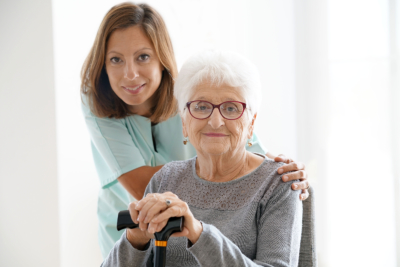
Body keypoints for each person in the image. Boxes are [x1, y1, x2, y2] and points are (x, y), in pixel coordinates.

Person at [81, 2, 309, 258]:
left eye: (143, 56)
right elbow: (142, 188)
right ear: (184, 121)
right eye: (116, 59)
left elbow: (245, 147)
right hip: (132, 223)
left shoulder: (195, 89)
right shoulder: (100, 103)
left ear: (161, 58)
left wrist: (283, 171)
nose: (131, 73)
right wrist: (137, 236)